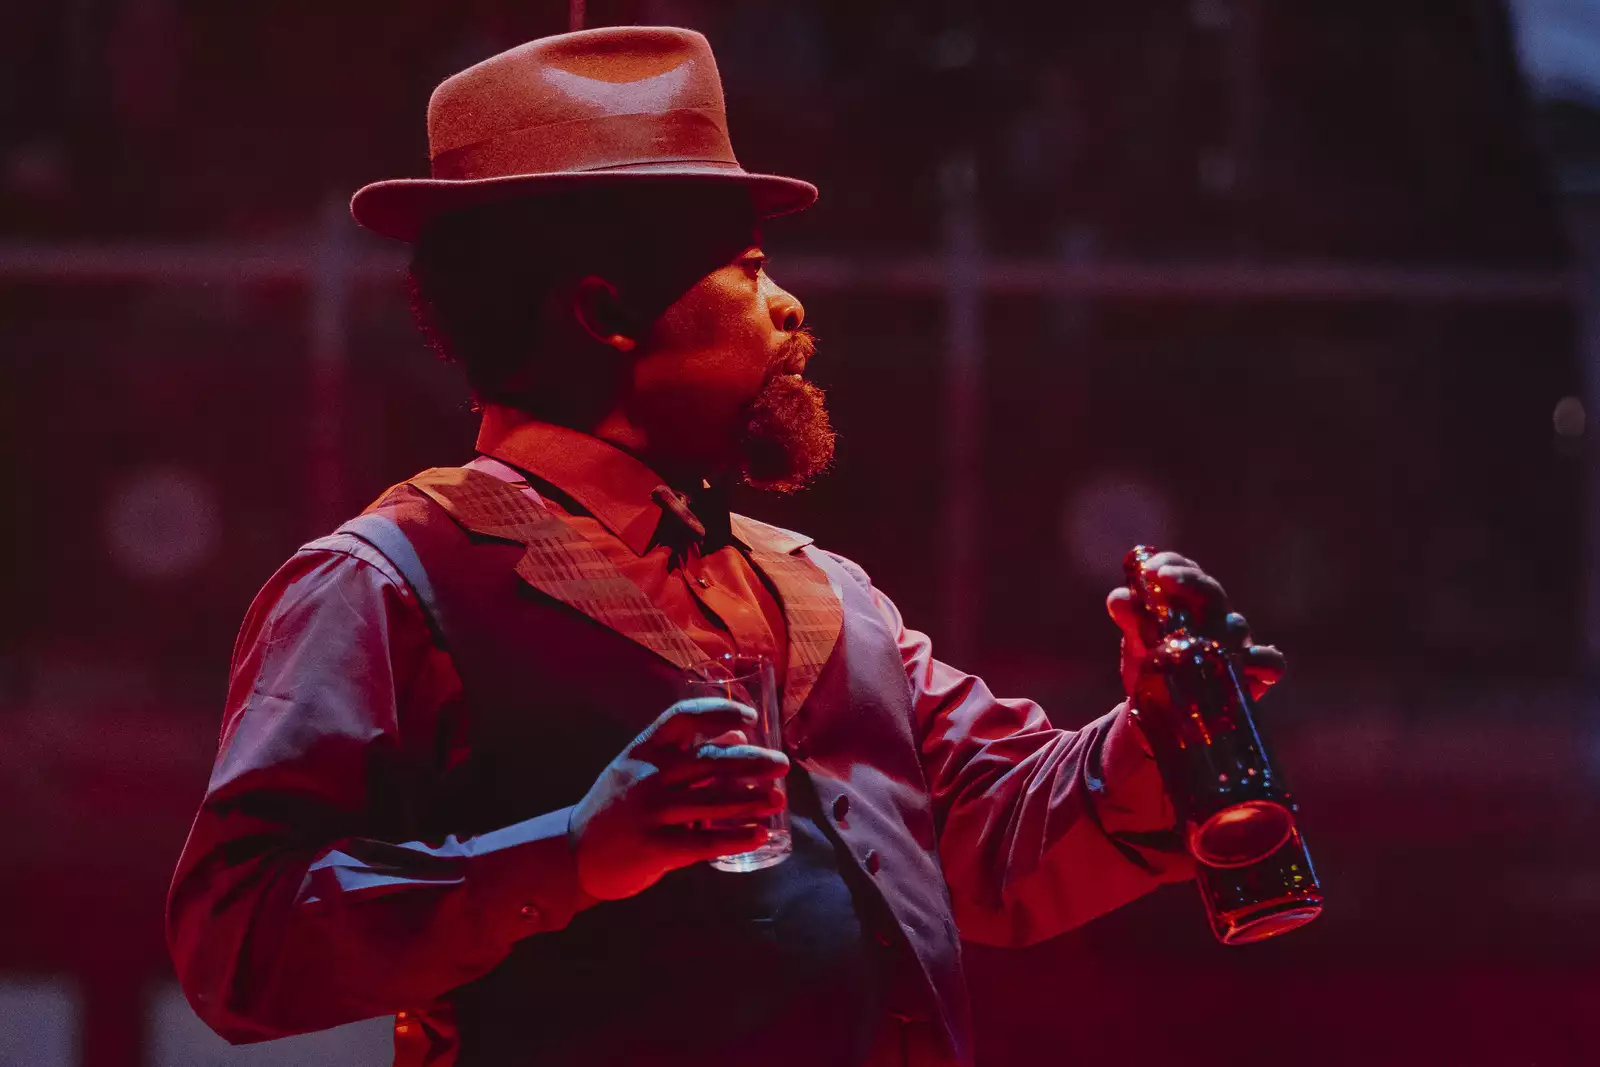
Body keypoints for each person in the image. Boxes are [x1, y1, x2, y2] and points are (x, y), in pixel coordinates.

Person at [167, 26, 1285, 1067]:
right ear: (605, 311)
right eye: (748, 267)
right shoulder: (391, 582)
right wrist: (571, 855)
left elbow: (998, 843)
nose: (790, 305)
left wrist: (1157, 728)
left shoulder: (821, 593)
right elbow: (240, 941)